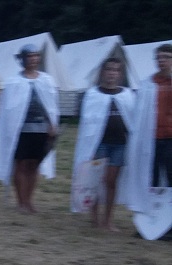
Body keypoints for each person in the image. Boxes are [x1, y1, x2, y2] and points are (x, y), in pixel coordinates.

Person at [0, 44, 59, 213]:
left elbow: (52, 107)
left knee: (34, 165)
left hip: (40, 130)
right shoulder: (14, 82)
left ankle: (29, 200)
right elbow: (9, 109)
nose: (33, 59)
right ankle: (21, 201)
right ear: (23, 59)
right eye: (30, 56)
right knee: (21, 164)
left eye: (36, 56)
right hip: (20, 130)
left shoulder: (46, 81)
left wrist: (52, 124)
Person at [71, 57, 136, 230]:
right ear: (102, 72)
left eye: (116, 70)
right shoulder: (92, 95)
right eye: (109, 69)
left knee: (111, 181)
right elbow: (87, 123)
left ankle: (108, 219)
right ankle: (95, 218)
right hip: (99, 144)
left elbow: (133, 121)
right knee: (96, 181)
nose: (112, 73)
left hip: (119, 144)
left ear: (120, 74)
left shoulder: (127, 95)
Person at [128, 43, 172, 201]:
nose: (161, 61)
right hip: (152, 138)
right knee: (151, 176)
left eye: (166, 57)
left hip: (170, 138)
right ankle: (153, 210)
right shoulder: (148, 84)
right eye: (158, 58)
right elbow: (140, 113)